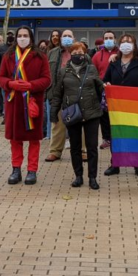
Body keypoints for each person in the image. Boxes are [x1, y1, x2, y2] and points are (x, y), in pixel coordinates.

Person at [0, 26, 51, 185]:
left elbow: (47, 79)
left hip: (32, 102)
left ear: (31, 38)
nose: (22, 38)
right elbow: (0, 78)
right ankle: (16, 169)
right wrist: (10, 83)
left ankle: (32, 170)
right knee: (15, 139)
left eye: (25, 35)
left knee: (34, 139)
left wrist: (30, 85)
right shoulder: (8, 55)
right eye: (19, 35)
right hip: (14, 103)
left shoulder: (40, 56)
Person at [51, 42, 104, 190]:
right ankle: (78, 176)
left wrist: (105, 88)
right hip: (72, 113)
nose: (77, 54)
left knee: (92, 147)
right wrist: (54, 113)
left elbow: (100, 88)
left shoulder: (92, 69)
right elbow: (57, 94)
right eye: (74, 52)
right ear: (70, 53)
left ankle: (92, 177)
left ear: (85, 53)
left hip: (91, 113)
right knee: (75, 147)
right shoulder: (63, 71)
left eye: (80, 52)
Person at [103, 34, 138, 177]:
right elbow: (105, 80)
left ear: (134, 45)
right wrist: (107, 85)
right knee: (116, 135)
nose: (126, 44)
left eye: (129, 42)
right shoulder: (114, 63)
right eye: (123, 41)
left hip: (135, 107)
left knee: (136, 135)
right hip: (117, 107)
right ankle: (115, 164)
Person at [46, 29, 76, 162]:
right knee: (57, 124)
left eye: (69, 36)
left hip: (76, 94)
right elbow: (47, 74)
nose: (67, 38)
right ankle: (55, 151)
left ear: (74, 38)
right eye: (65, 36)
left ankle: (82, 151)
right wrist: (48, 92)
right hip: (57, 94)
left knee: (78, 123)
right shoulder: (52, 53)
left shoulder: (81, 52)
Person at [92, 30, 118, 149]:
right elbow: (93, 73)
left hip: (117, 89)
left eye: (111, 37)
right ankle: (106, 138)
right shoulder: (97, 55)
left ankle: (117, 138)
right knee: (104, 116)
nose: (108, 40)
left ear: (115, 40)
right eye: (106, 38)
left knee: (116, 115)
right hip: (102, 88)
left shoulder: (120, 54)